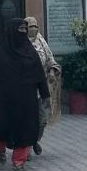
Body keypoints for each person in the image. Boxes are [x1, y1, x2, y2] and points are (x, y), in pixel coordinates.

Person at [0, 18, 48, 171]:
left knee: (26, 128)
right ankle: (1, 150)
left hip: (26, 100)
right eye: (20, 29)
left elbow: (39, 74)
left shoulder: (30, 51)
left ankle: (19, 161)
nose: (23, 32)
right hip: (3, 99)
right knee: (2, 126)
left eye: (25, 29)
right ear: (10, 30)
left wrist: (45, 94)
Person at [24, 16, 62, 156]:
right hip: (26, 87)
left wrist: (52, 71)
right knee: (27, 120)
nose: (33, 30)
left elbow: (51, 61)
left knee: (42, 119)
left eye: (35, 27)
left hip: (41, 88)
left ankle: (34, 140)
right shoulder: (21, 43)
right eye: (30, 27)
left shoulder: (41, 42)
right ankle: (25, 148)